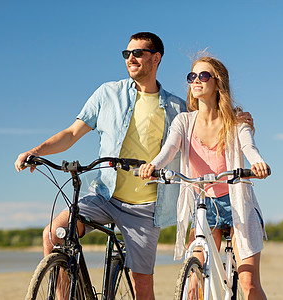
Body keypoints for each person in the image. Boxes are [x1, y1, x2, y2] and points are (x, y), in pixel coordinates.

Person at [15, 32, 186, 300]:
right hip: (104, 196)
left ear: (156, 58)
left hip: (144, 208)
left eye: (138, 53)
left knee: (142, 283)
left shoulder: (177, 107)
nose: (131, 58)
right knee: (54, 235)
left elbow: (206, 128)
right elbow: (72, 133)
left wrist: (238, 119)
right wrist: (35, 151)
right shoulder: (108, 93)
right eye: (126, 54)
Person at [138, 53, 270, 299]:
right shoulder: (184, 121)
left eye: (204, 75)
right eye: (192, 76)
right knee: (193, 276)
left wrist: (258, 163)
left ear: (217, 82)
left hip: (237, 203)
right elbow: (168, 149)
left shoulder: (236, 122)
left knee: (248, 281)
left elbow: (249, 148)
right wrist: (152, 166)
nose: (196, 80)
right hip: (203, 205)